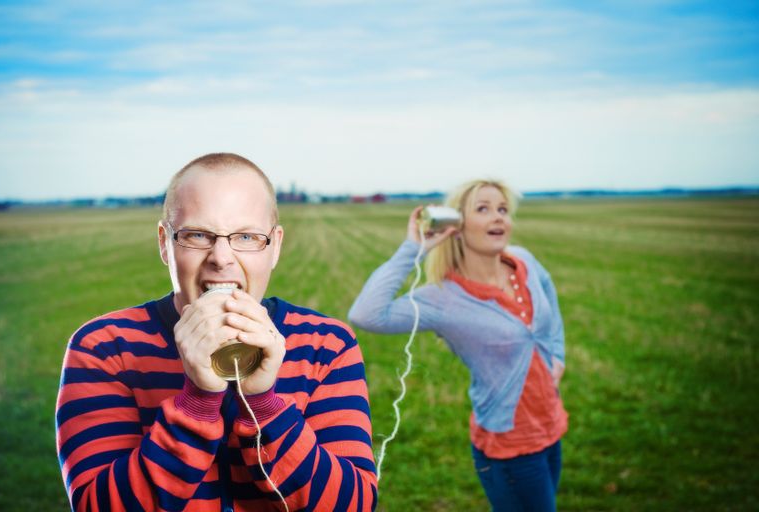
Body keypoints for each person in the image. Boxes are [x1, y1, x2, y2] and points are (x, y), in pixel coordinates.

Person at [56, 153, 377, 511]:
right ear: (165, 242)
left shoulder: (326, 345)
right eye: (197, 235)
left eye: (246, 236)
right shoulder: (104, 348)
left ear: (275, 246)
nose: (221, 258)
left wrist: (264, 404)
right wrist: (197, 402)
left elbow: (353, 505)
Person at [348, 179, 567, 512]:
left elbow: (548, 289)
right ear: (457, 224)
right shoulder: (443, 299)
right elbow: (366, 314)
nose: (498, 217)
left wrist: (556, 351)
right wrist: (413, 248)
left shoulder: (523, 261)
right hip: (508, 446)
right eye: (484, 209)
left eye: (503, 209)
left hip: (551, 428)